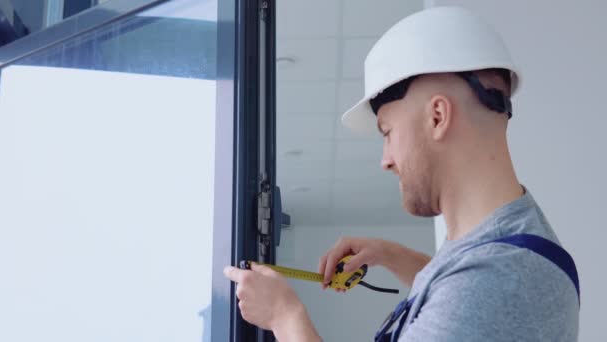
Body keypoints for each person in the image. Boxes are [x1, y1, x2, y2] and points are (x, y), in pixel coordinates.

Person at [224, 6, 580, 341]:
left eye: (387, 132)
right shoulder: (504, 251)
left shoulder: (500, 279)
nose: (386, 160)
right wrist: (390, 254)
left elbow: (473, 298)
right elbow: (462, 299)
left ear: (437, 117)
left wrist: (285, 318)